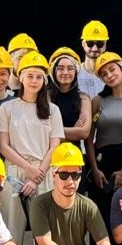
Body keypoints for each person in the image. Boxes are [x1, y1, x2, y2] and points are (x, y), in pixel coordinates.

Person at [0, 51, 64, 245]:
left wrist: (39, 174)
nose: (34, 80)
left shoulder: (52, 110)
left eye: (39, 76)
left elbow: (55, 144)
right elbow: (3, 145)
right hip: (14, 173)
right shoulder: (8, 108)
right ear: (20, 77)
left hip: (45, 176)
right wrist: (27, 170)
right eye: (29, 75)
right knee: (10, 234)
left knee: (46, 237)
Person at [47, 47, 97, 194]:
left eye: (70, 68)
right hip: (50, 158)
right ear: (53, 72)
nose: (65, 73)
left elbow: (84, 132)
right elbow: (43, 129)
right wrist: (72, 131)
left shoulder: (83, 98)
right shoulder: (45, 96)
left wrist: (55, 131)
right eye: (60, 68)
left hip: (75, 159)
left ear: (76, 72)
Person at [94, 51, 122, 205]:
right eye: (104, 74)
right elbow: (88, 138)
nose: (110, 75)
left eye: (112, 69)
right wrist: (94, 169)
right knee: (102, 211)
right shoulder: (97, 101)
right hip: (102, 163)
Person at [77, 20, 109, 98]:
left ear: (105, 46)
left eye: (99, 44)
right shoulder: (74, 73)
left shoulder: (110, 75)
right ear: (83, 44)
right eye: (90, 43)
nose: (94, 49)